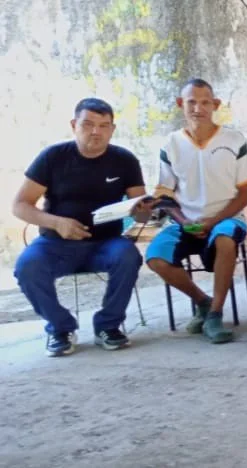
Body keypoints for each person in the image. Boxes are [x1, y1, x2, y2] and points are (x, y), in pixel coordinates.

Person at [13, 98, 152, 356]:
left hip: (106, 243)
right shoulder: (53, 157)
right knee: (27, 266)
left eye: (104, 125)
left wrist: (146, 211)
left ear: (112, 129)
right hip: (56, 243)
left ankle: (108, 326)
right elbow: (20, 205)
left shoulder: (124, 160)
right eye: (88, 124)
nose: (96, 131)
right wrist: (56, 222)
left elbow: (141, 212)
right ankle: (60, 327)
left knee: (128, 256)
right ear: (74, 125)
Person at [145, 79, 247, 344]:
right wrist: (184, 221)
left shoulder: (234, 139)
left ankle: (215, 314)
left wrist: (214, 220)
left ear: (215, 105)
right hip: (185, 222)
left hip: (227, 218)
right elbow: (165, 196)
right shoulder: (171, 144)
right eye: (191, 102)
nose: (198, 108)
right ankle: (202, 301)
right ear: (180, 104)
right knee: (155, 257)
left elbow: (246, 193)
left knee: (225, 239)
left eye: (205, 102)